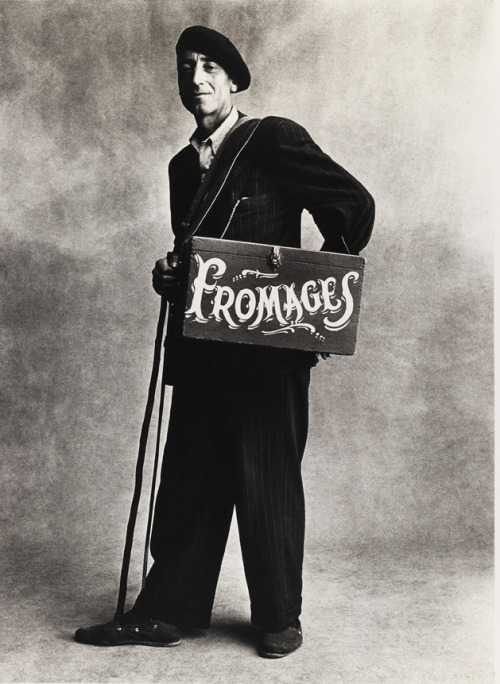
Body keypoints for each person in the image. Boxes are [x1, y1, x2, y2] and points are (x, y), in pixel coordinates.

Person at [75, 25, 375, 658]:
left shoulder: (271, 139)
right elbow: (201, 259)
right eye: (187, 66)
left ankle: (277, 618)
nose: (197, 78)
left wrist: (313, 297)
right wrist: (172, 277)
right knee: (189, 481)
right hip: (204, 350)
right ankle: (167, 610)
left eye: (210, 66)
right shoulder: (182, 167)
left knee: (266, 480)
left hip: (268, 354)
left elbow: (352, 205)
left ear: (234, 79)